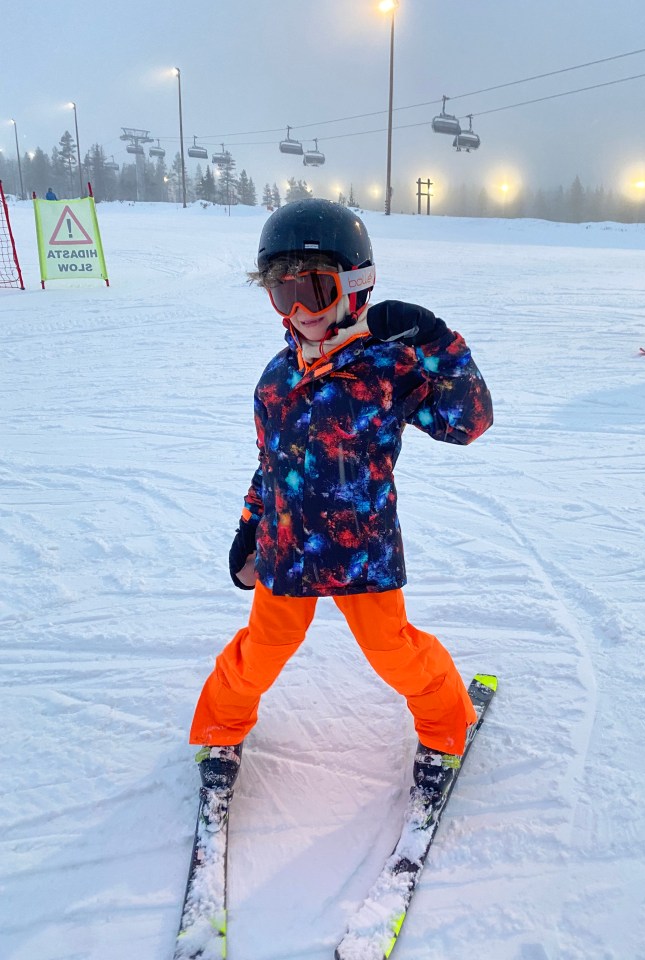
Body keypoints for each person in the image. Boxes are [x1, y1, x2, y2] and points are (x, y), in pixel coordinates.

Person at [190, 198, 493, 796]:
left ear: (355, 287)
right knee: (259, 654)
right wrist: (249, 528)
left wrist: (437, 341)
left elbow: (469, 420)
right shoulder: (275, 381)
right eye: (283, 295)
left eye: (315, 290)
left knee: (395, 653)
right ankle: (220, 729)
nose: (300, 311)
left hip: (362, 553)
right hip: (287, 552)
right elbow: (270, 466)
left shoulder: (387, 367)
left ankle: (445, 729)